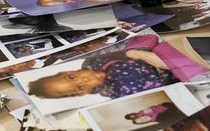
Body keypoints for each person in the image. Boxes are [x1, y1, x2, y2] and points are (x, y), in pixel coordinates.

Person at [27, 35, 177, 99]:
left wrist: (138, 54)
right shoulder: (115, 92)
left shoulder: (92, 63)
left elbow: (123, 51)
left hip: (156, 54)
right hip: (177, 74)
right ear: (82, 93)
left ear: (66, 70)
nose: (86, 79)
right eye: (80, 87)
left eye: (72, 77)